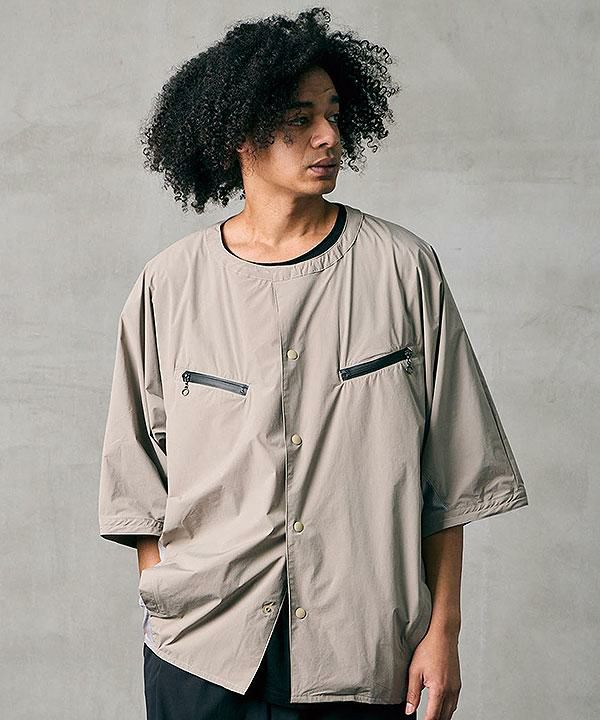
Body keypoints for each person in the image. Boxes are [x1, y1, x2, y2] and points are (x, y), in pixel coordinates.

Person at [98, 7, 529, 720]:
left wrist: (443, 631)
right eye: (300, 120)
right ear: (239, 135)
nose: (329, 136)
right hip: (202, 655)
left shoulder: (404, 271)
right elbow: (136, 477)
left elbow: (452, 476)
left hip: (363, 652)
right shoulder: (168, 285)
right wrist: (171, 602)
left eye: (333, 114)